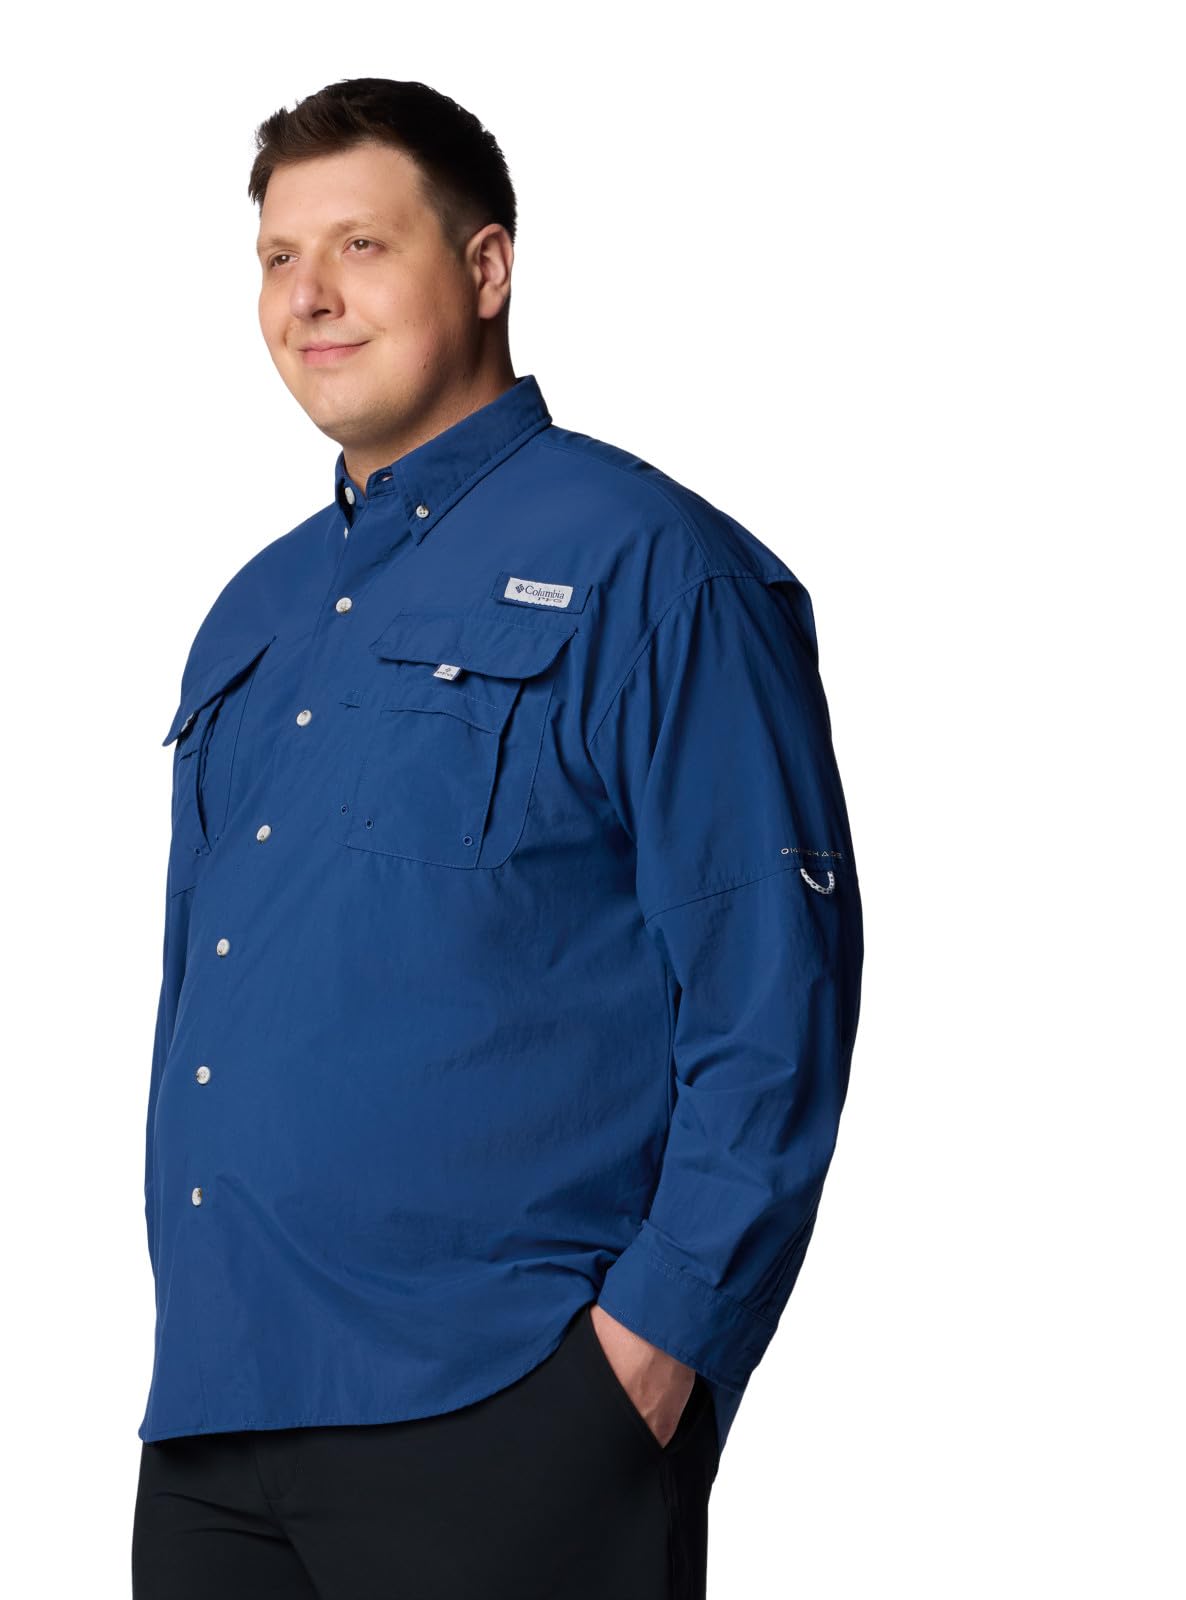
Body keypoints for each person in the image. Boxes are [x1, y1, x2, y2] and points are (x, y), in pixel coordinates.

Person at [131, 76, 864, 1600]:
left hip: (506, 1405)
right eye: (276, 258)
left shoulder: (653, 567)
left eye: (360, 247)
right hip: (217, 1415)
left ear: (485, 268)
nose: (308, 297)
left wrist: (653, 1350)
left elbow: (770, 983)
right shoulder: (254, 612)